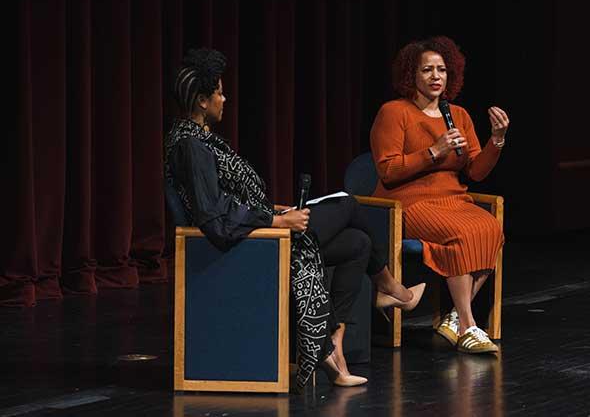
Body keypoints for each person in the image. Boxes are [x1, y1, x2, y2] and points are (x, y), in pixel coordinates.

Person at [163, 48, 425, 390]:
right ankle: (390, 289)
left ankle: (335, 347)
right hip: (249, 247)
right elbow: (213, 218)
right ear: (201, 101)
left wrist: (274, 212)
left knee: (357, 244)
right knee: (348, 205)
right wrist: (277, 223)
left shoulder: (199, 140)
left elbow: (229, 202)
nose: (224, 99)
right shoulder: (191, 147)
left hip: (260, 232)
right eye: (219, 93)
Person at [370, 36, 509, 354]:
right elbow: (387, 171)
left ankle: (453, 321)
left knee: (490, 227)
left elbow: (475, 171)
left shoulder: (458, 115)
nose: (435, 77)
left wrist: (496, 141)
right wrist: (434, 151)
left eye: (442, 70)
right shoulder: (394, 113)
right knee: (460, 234)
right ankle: (470, 325)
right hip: (408, 201)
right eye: (427, 70)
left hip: (453, 199)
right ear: (411, 76)